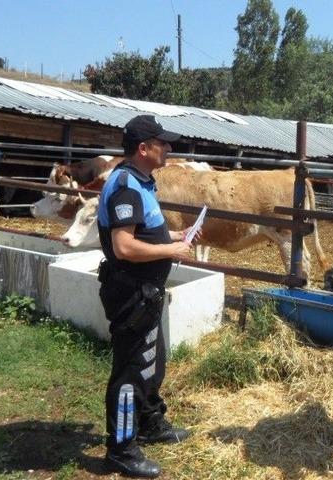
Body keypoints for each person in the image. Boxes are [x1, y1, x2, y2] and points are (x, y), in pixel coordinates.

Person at [97, 114, 196, 478]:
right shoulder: (125, 185)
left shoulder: (142, 181)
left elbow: (144, 232)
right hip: (131, 292)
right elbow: (124, 246)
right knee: (131, 371)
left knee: (152, 363)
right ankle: (121, 449)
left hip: (147, 292)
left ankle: (151, 423)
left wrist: (174, 236)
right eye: (163, 143)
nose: (169, 148)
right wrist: (172, 253)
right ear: (144, 148)